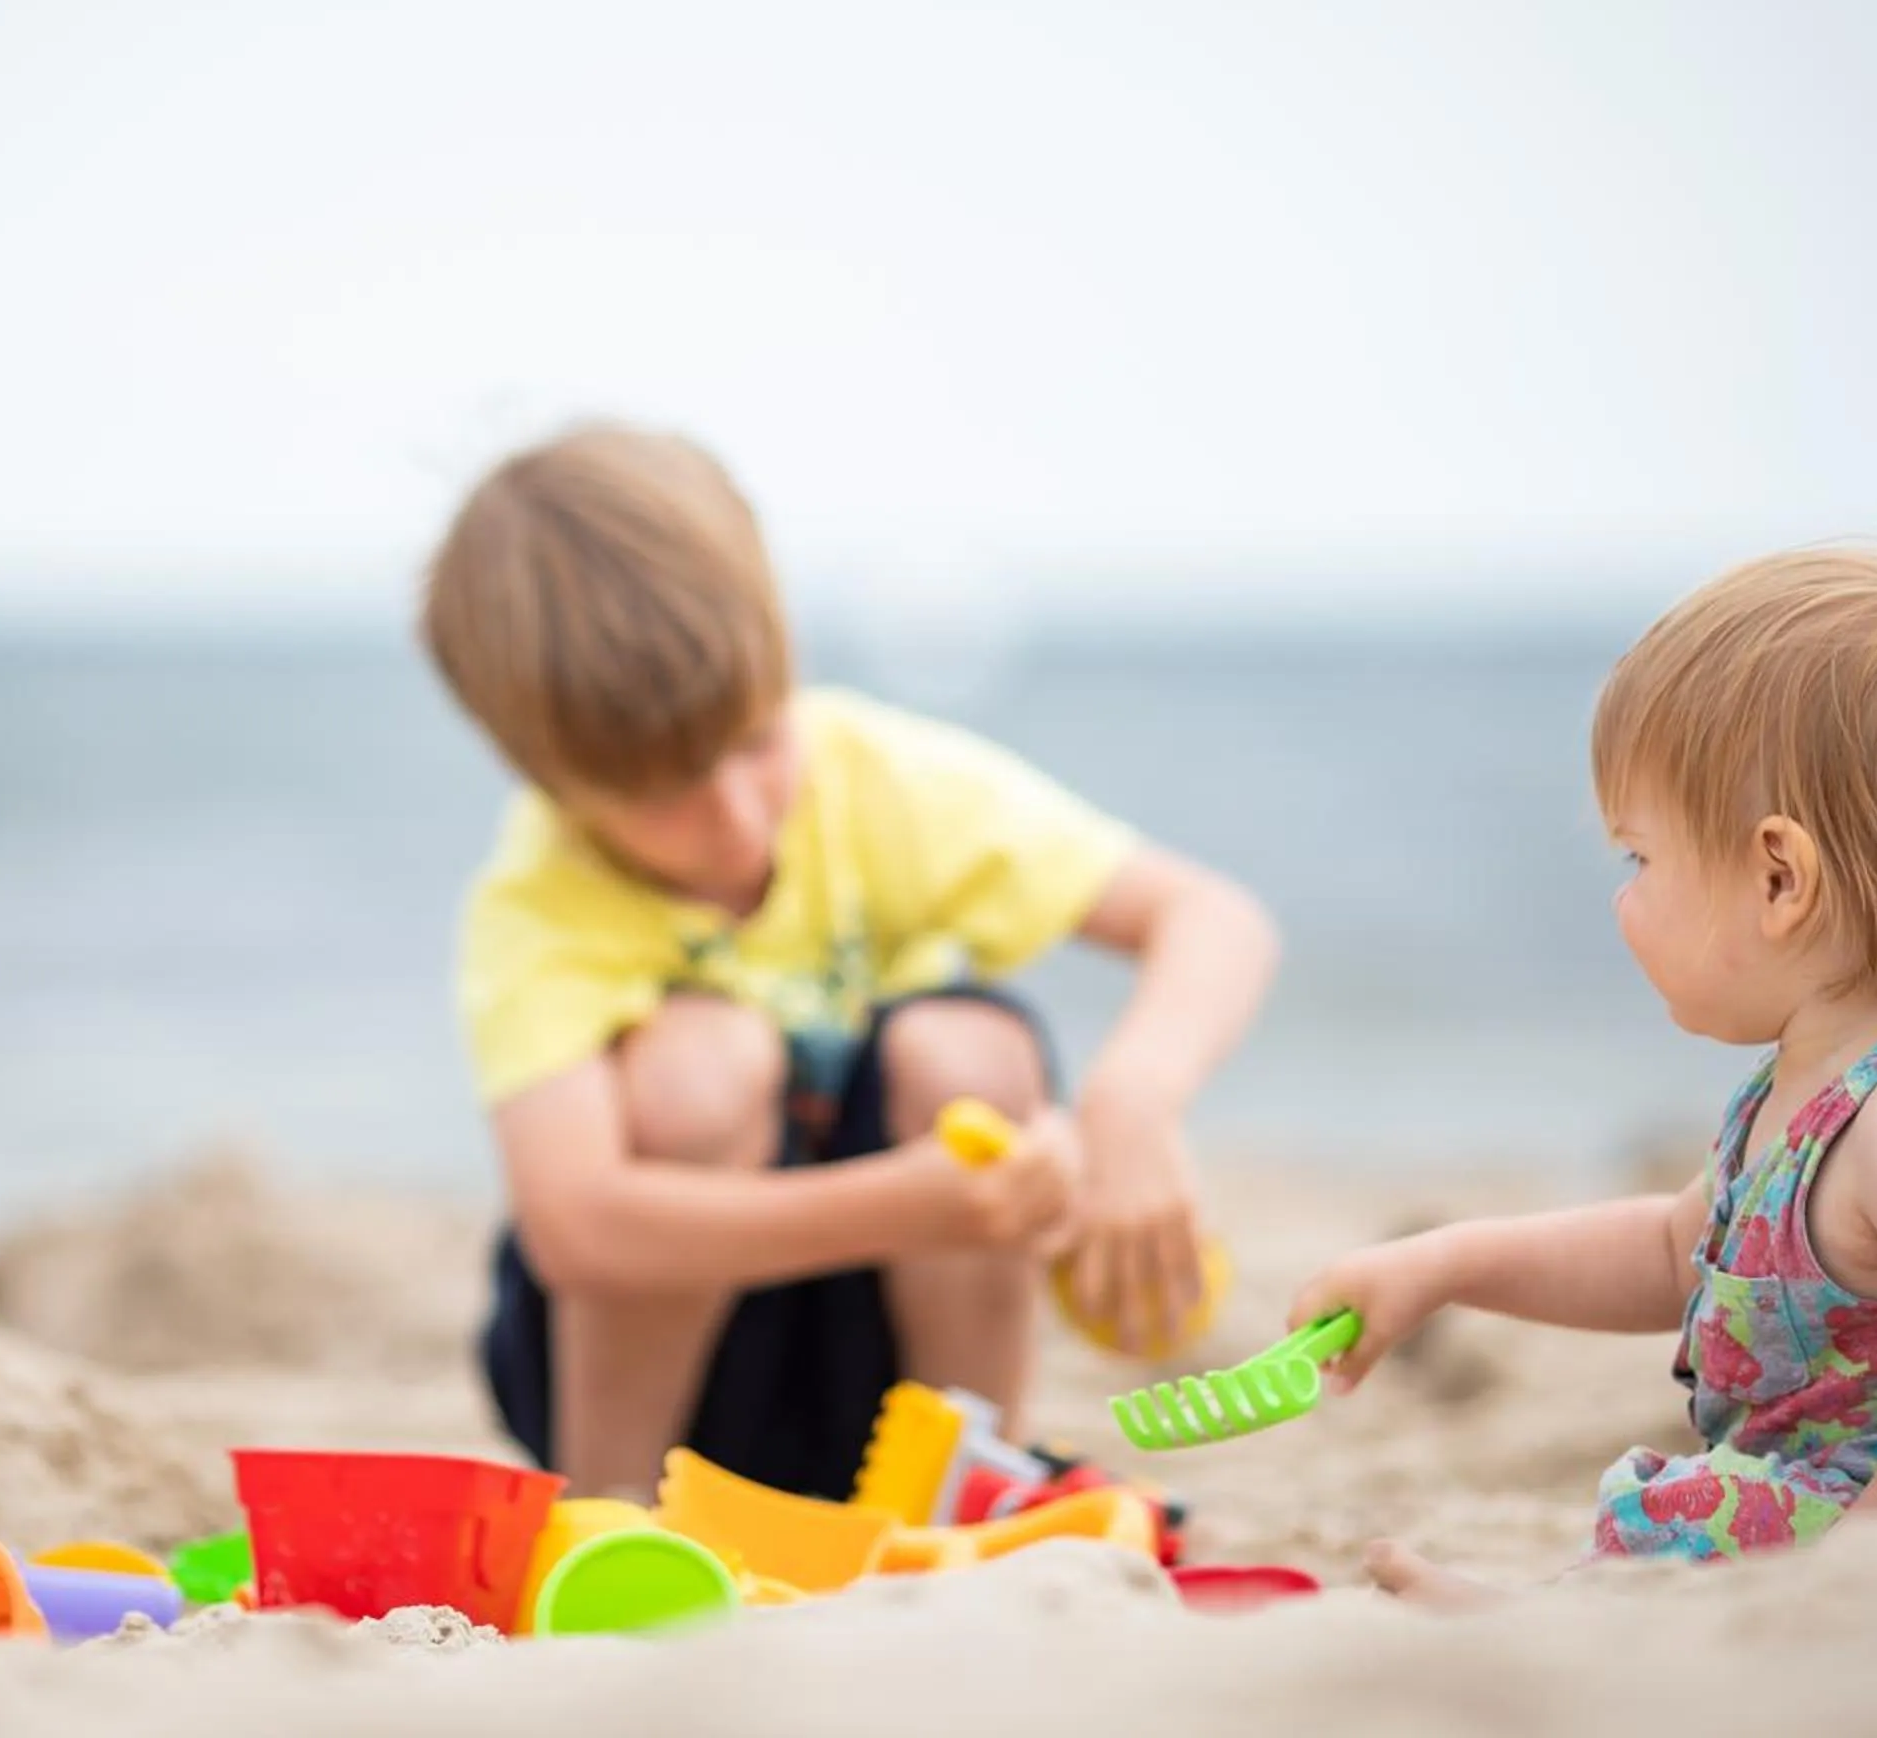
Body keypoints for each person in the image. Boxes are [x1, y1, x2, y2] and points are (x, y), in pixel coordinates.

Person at [1290, 534, 1877, 1603]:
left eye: (1641, 856)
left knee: (1697, 1521)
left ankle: (1553, 1620)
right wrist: (1443, 1264)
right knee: (1708, 1510)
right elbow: (1677, 1247)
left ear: (1777, 876)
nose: (1623, 896)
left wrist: (1867, 1573)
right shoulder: (1814, 1080)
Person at [417, 420, 1281, 1501]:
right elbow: (579, 1226)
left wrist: (1132, 1108)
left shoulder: (875, 776)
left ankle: (966, 1485)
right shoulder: (539, 901)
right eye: (664, 793)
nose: (736, 818)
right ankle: (607, 1513)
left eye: (754, 740)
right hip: (663, 1382)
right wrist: (907, 1204)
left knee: (967, 1048)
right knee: (701, 1061)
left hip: (890, 1368)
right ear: (545, 777)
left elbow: (1211, 916)